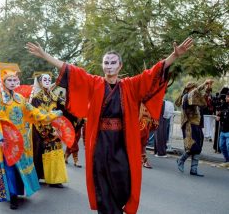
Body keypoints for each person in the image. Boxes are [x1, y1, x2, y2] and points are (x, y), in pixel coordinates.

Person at [27, 37, 193, 213]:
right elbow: (71, 70)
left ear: (120, 66)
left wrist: (173, 56)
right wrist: (45, 55)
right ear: (102, 65)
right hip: (100, 142)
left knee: (123, 180)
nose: (109, 65)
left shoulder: (129, 85)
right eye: (106, 62)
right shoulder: (94, 83)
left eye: (113, 62)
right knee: (102, 183)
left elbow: (151, 74)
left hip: (122, 142)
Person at [0, 63, 63, 210]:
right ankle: (13, 197)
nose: (12, 83)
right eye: (8, 80)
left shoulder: (20, 98)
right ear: (3, 82)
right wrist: (0, 137)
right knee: (10, 167)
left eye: (14, 80)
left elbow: (34, 112)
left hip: (22, 138)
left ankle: (18, 191)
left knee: (21, 166)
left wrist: (50, 116)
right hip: (7, 140)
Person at [29, 72, 68, 188]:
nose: (47, 81)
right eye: (44, 80)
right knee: (40, 152)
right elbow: (38, 116)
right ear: (40, 82)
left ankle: (55, 179)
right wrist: (50, 130)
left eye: (49, 79)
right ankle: (39, 177)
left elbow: (65, 107)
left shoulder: (54, 97)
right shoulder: (36, 98)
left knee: (55, 151)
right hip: (40, 129)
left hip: (55, 128)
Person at [175, 80, 213, 177]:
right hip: (190, 125)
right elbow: (195, 93)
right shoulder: (186, 97)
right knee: (192, 147)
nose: (196, 90)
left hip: (197, 125)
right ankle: (181, 160)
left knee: (198, 147)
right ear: (189, 89)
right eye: (194, 88)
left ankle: (194, 169)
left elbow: (203, 100)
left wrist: (208, 88)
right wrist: (204, 83)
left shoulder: (193, 97)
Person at [139, 104, 158, 169]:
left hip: (147, 121)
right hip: (140, 119)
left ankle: (143, 159)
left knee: (144, 141)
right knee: (140, 139)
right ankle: (143, 160)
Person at [216, 91, 229, 167]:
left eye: (228, 97)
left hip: (228, 130)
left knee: (228, 146)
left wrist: (220, 119)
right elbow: (218, 111)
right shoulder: (223, 105)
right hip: (223, 130)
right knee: (221, 146)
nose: (226, 98)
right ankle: (227, 160)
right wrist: (218, 114)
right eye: (226, 96)